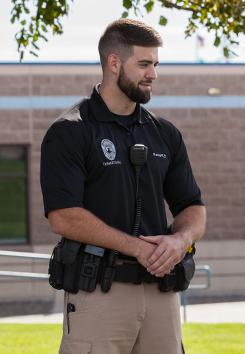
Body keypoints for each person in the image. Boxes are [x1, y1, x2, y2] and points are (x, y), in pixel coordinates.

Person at [40, 19, 206, 354]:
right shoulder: (71, 131)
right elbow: (63, 217)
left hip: (162, 292)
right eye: (144, 64)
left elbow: (192, 206)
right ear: (114, 63)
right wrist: (138, 248)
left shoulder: (165, 133)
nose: (153, 74)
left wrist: (179, 241)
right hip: (99, 294)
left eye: (156, 65)